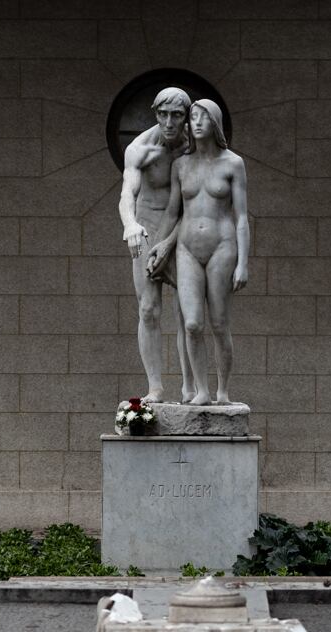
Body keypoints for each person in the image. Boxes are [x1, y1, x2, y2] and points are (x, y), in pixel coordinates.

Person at [147, 98, 250, 406]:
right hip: (187, 248)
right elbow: (172, 212)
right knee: (192, 324)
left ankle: (222, 392)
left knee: (219, 323)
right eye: (193, 117)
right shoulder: (181, 164)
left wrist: (244, 262)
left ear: (215, 122)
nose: (197, 122)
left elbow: (242, 216)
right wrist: (160, 245)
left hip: (222, 246)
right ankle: (201, 391)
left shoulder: (233, 163)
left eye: (203, 117)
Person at [117, 87, 193, 403]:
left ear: (186, 116)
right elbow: (126, 195)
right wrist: (130, 224)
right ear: (155, 114)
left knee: (188, 312)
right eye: (163, 115)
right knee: (148, 309)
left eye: (176, 115)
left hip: (183, 229)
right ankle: (155, 388)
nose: (169, 122)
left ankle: (192, 388)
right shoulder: (140, 149)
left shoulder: (196, 147)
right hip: (147, 226)